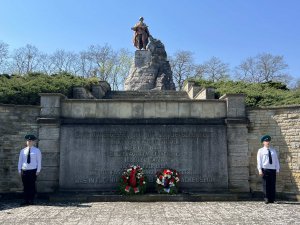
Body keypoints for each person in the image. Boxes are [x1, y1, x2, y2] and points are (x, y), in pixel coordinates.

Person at [18, 134, 42, 206]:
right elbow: (20, 161)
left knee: (31, 185)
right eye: (28, 141)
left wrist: (38, 170)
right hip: (24, 170)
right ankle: (26, 200)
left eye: (30, 141)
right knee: (25, 186)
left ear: (33, 142)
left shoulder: (37, 151)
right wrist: (19, 170)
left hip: (33, 171)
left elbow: (39, 161)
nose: (29, 142)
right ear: (26, 142)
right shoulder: (23, 151)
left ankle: (31, 200)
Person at [257, 135, 280, 204]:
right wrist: (260, 170)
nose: (267, 142)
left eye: (268, 141)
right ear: (263, 142)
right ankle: (266, 198)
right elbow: (259, 161)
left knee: (272, 184)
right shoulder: (260, 150)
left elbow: (276, 160)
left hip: (272, 169)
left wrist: (277, 169)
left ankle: (272, 199)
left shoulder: (273, 150)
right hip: (265, 169)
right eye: (266, 141)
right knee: (266, 184)